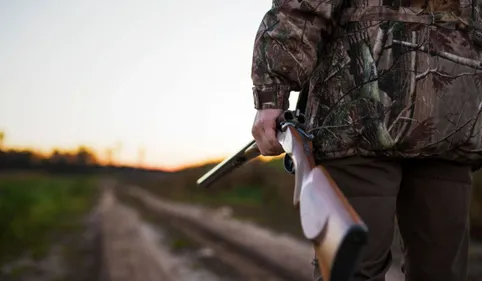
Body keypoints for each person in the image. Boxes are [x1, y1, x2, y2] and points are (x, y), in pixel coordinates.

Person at [250, 0, 482, 280]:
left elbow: (303, 8)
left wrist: (270, 95)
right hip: (444, 122)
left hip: (363, 121)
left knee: (357, 271)